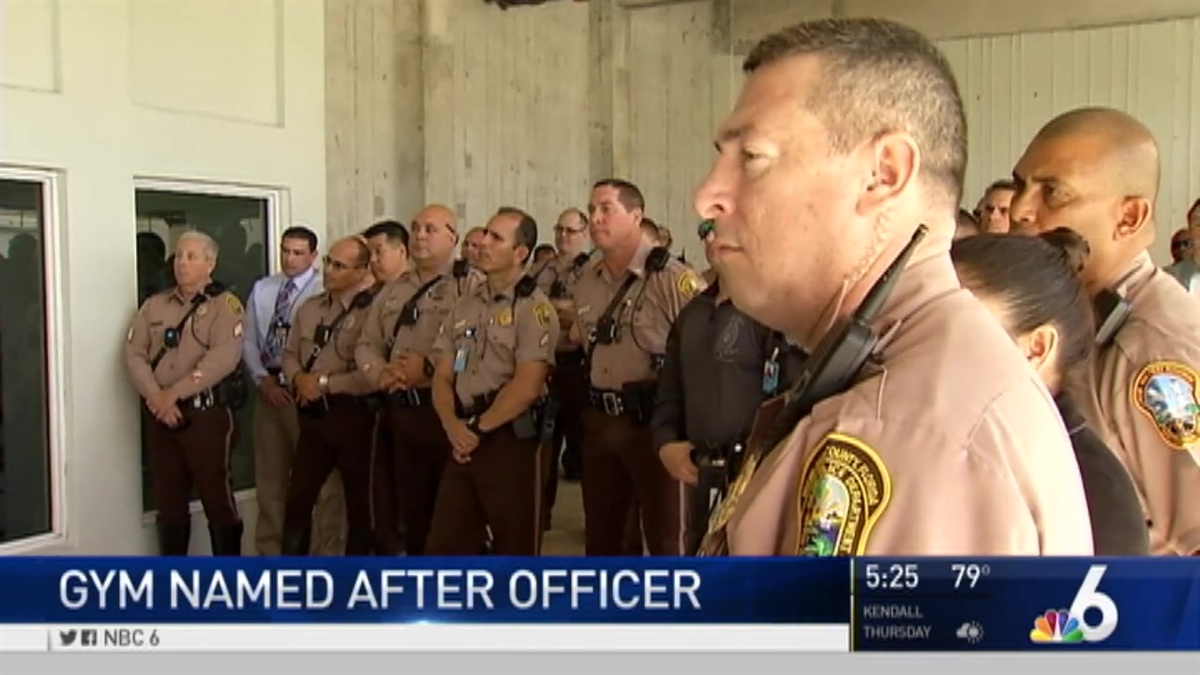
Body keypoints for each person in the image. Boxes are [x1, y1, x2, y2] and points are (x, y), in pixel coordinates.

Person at [691, 18, 1092, 556]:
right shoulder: (926, 381)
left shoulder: (899, 434)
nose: (707, 196)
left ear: (883, 174)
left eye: (752, 158)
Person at [1010, 107, 1200, 556]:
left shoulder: (1153, 352)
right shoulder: (1076, 318)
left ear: (1129, 217)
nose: (1020, 210)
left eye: (1053, 193)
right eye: (1020, 186)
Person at [951, 229, 1149, 555]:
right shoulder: (966, 437)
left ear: (1036, 348)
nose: (930, 346)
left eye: (958, 329)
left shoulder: (1095, 493)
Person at [569, 178, 706, 556]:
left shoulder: (672, 279)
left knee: (667, 538)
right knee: (604, 537)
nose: (595, 218)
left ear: (635, 216)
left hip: (653, 426)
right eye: (591, 210)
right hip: (600, 422)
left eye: (606, 209)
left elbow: (700, 356)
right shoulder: (588, 281)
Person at [653, 220, 805, 554]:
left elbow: (794, 396)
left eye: (719, 228)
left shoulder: (774, 311)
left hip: (759, 473)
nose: (710, 237)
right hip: (700, 470)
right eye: (704, 230)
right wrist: (666, 442)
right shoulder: (692, 313)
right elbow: (670, 389)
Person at [425, 207, 560, 555]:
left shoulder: (533, 308)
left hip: (508, 439)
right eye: (485, 233)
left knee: (514, 547)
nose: (483, 243)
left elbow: (527, 386)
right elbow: (444, 374)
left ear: (520, 253)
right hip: (462, 435)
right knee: (445, 545)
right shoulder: (465, 305)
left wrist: (477, 430)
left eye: (496, 238)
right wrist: (452, 425)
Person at [356, 205, 478, 555]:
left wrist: (429, 368)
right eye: (415, 228)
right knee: (410, 512)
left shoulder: (470, 286)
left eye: (430, 229)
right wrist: (381, 372)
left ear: (453, 237)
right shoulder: (394, 288)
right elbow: (366, 344)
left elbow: (474, 350)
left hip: (446, 414)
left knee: (454, 515)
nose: (420, 235)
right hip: (401, 415)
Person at [124, 230, 248, 555]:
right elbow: (134, 353)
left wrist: (174, 393)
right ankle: (174, 576)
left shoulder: (225, 306)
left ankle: (228, 577)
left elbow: (222, 359)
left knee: (216, 498)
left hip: (206, 416)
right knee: (169, 500)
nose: (182, 263)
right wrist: (156, 396)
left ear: (210, 264)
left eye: (192, 257)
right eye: (179, 256)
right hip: (161, 414)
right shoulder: (155, 305)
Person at [241, 225, 345, 556]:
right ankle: (271, 556)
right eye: (285, 251)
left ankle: (321, 557)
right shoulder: (264, 288)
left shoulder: (323, 289)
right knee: (270, 480)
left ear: (313, 256)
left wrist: (297, 378)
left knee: (320, 483)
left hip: (306, 391)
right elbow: (248, 340)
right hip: (269, 388)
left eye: (298, 253)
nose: (290, 258)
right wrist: (262, 379)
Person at [279, 236, 379, 555]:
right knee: (298, 500)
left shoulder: (373, 312)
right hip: (313, 417)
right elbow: (289, 353)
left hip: (354, 416)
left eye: (339, 266)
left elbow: (372, 374)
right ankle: (291, 576)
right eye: (328, 262)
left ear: (362, 271)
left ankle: (353, 577)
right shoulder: (311, 308)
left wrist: (324, 383)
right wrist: (298, 378)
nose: (329, 271)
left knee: (361, 507)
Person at [532, 208, 592, 526]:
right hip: (546, 366)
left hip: (580, 369)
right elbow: (530, 312)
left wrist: (557, 312)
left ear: (585, 233)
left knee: (587, 450)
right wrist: (563, 312)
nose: (563, 236)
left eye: (571, 231)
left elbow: (586, 316)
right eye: (559, 229)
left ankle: (594, 523)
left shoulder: (595, 271)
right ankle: (541, 516)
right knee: (543, 449)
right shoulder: (541, 270)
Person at [360, 219, 411, 555]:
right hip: (383, 401)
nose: (373, 261)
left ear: (401, 251)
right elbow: (366, 345)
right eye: (369, 255)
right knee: (382, 491)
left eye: (379, 252)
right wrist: (380, 374)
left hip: (423, 401)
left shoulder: (442, 289)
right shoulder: (372, 296)